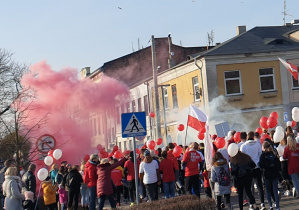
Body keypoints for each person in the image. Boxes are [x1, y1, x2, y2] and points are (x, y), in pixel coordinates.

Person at [240, 131, 265, 210]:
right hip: (257, 167)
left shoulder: (243, 146)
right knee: (259, 186)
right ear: (253, 137)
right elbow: (260, 155)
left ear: (247, 137)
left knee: (249, 187)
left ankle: (251, 204)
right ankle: (262, 203)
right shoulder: (258, 145)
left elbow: (242, 158)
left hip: (248, 169)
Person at [259, 141, 281, 210]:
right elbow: (278, 165)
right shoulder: (274, 154)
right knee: (275, 190)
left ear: (264, 147)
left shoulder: (263, 155)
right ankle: (277, 207)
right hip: (275, 174)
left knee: (268, 191)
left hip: (267, 174)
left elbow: (261, 165)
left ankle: (270, 206)